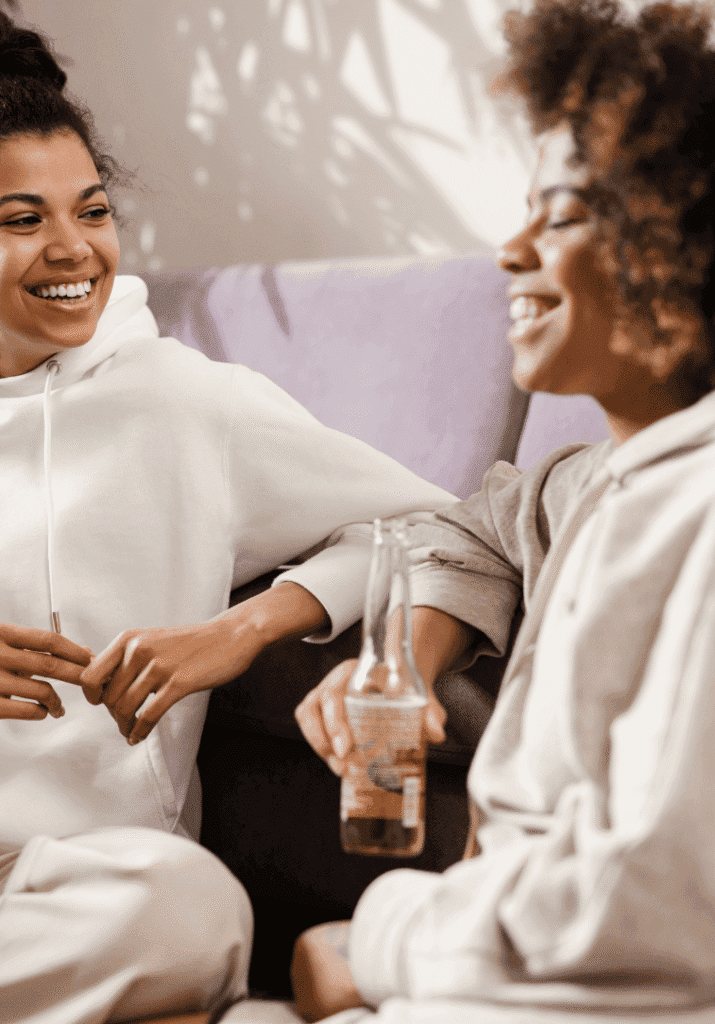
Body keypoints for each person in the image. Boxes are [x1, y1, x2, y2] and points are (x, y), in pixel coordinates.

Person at [0, 13, 458, 1024]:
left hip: (75, 886)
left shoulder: (177, 402)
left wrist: (245, 626)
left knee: (194, 910)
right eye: (19, 220)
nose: (72, 247)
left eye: (92, 210)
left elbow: (436, 531)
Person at [292, 1, 715, 1021]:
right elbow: (469, 524)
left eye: (562, 214)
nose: (510, 251)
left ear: (678, 245)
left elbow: (649, 904)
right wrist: (399, 663)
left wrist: (387, 935)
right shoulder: (606, 480)